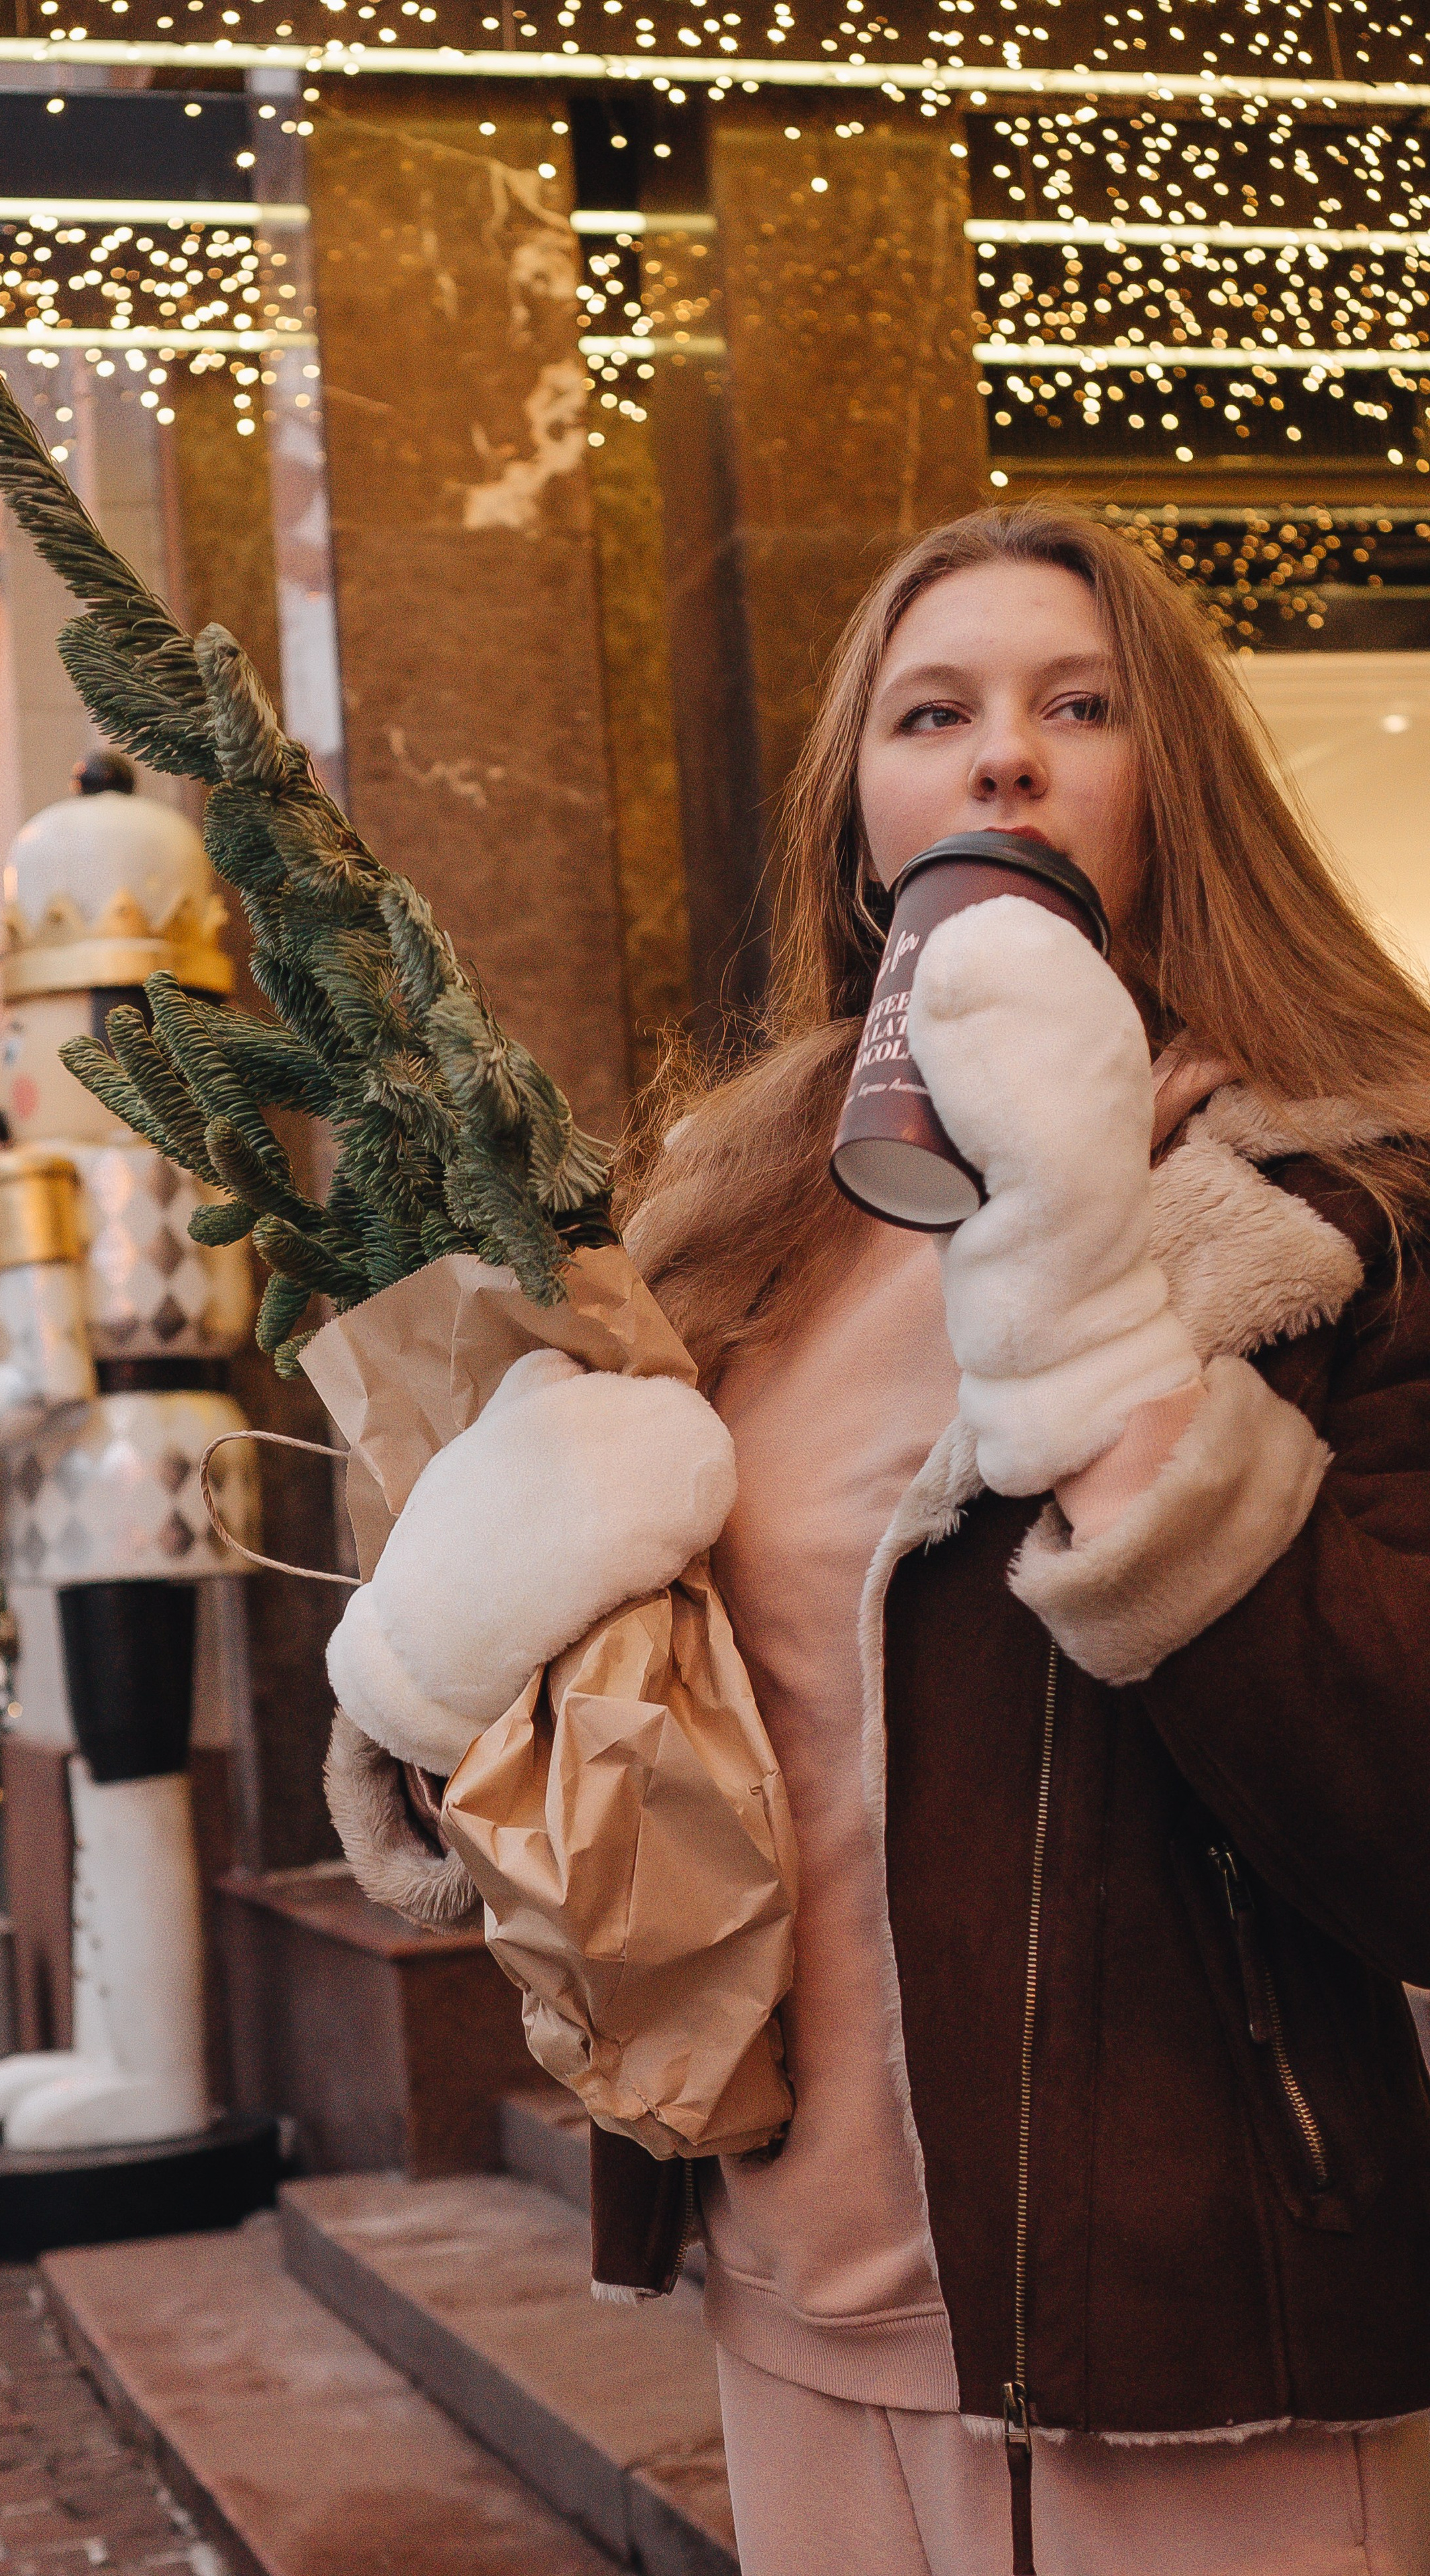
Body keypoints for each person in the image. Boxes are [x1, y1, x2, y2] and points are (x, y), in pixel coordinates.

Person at [330, 505, 1430, 2573]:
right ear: (861, 828)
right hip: (791, 2294)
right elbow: (621, 1761)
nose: (1003, 753)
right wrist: (447, 1644)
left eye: (1077, 706)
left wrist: (1113, 1373)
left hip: (1193, 2328)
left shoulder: (1339, 1204)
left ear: (1173, 783)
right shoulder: (720, 1241)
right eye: (933, 715)